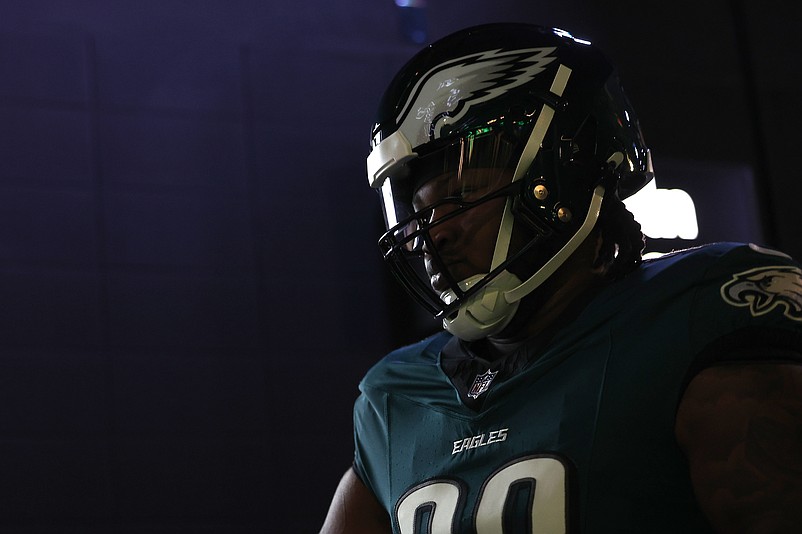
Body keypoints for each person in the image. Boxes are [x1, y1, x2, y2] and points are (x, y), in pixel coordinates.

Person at [320, 23, 802, 533]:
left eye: (458, 199)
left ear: (565, 170)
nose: (433, 236)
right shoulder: (395, 396)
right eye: (421, 213)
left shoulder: (695, 312)